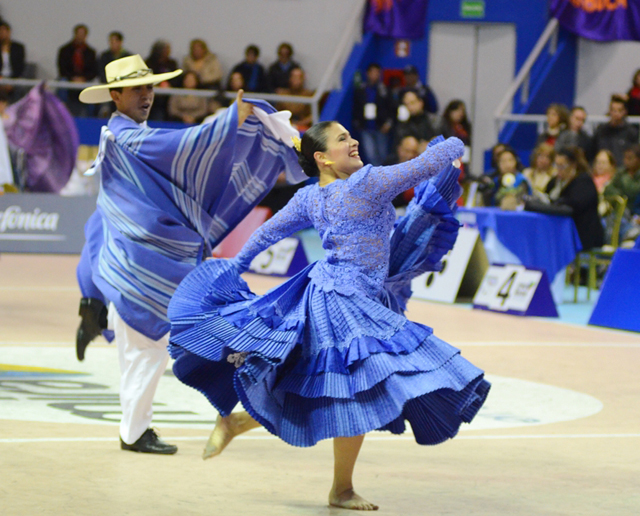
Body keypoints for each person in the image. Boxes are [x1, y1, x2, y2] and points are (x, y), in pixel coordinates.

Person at [166, 126, 489, 510]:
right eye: (342, 139)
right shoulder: (367, 183)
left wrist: (236, 265)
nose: (353, 142)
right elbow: (425, 165)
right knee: (356, 390)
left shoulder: (310, 196)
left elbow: (267, 233)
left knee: (336, 387)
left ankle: (240, 426)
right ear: (321, 158)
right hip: (343, 301)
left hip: (345, 293)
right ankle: (340, 488)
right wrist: (456, 142)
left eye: (351, 136)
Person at [75, 54, 305, 455]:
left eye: (149, 87)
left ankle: (147, 421)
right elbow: (181, 146)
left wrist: (89, 293)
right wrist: (229, 121)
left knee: (148, 350)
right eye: (136, 89)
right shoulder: (126, 138)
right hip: (143, 272)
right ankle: (137, 432)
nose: (146, 95)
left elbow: (103, 220)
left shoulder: (124, 140)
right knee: (148, 350)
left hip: (143, 269)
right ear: (115, 96)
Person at [544, 146, 604, 251]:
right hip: (558, 231)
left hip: (582, 235)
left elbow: (574, 204)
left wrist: (556, 202)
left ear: (573, 165)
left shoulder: (584, 182)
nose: (558, 169)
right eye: (556, 165)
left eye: (562, 166)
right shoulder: (554, 182)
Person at [352, 63, 393, 166]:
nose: (375, 75)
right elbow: (356, 107)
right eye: (372, 72)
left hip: (381, 127)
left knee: (383, 154)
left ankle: (382, 172)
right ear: (367, 74)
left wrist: (388, 123)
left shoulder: (384, 90)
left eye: (377, 72)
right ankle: (377, 174)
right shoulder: (361, 89)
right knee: (371, 155)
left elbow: (391, 107)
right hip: (366, 127)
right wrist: (357, 123)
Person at [56, 24, 97, 117]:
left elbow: (93, 71)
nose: (80, 36)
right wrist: (72, 78)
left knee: (93, 89)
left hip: (85, 81)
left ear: (86, 36)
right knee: (62, 84)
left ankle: (90, 118)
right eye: (79, 34)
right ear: (75, 34)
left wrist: (83, 79)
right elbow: (62, 68)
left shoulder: (91, 52)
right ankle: (61, 115)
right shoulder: (64, 50)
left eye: (83, 34)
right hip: (68, 79)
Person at [592, 94, 639, 166]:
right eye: (614, 110)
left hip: (623, 170)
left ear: (625, 112)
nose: (616, 114)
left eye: (619, 110)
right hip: (603, 169)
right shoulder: (601, 131)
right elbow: (593, 152)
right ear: (609, 111)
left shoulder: (631, 133)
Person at [145, 40, 180, 121]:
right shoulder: (149, 63)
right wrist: (158, 84)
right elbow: (147, 78)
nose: (168, 51)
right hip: (154, 97)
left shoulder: (172, 63)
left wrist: (169, 84)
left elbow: (176, 78)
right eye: (166, 49)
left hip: (169, 96)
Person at [604, 144, 640, 215]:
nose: (626, 161)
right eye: (625, 158)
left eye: (629, 158)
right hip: (619, 210)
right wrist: (620, 196)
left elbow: (632, 191)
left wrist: (624, 181)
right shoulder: (621, 172)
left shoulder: (623, 176)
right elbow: (608, 189)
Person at [275, 66, 314, 131]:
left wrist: (300, 123)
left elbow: (312, 116)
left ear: (303, 79)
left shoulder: (309, 94)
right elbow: (277, 113)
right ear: (290, 78)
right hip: (285, 126)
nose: (296, 80)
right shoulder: (282, 94)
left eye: (299, 77)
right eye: (294, 77)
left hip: (303, 127)